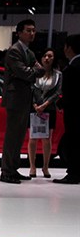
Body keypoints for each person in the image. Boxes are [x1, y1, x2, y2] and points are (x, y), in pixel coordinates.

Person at [0, 19, 44, 183]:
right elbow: (27, 73)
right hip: (15, 98)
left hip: (24, 98)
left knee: (18, 136)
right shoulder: (14, 51)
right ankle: (6, 172)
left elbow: (38, 70)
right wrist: (34, 71)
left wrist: (33, 71)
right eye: (28, 30)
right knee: (12, 136)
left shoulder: (28, 52)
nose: (32, 33)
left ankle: (13, 169)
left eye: (33, 30)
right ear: (19, 33)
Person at [28, 48, 61, 178]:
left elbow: (58, 92)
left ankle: (45, 167)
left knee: (47, 139)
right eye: (45, 56)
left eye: (50, 56)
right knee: (32, 138)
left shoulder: (58, 75)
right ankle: (32, 166)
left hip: (49, 109)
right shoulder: (34, 73)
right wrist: (35, 104)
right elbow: (30, 89)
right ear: (41, 58)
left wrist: (45, 104)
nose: (47, 58)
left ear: (54, 59)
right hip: (34, 108)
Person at [53, 34, 79, 184]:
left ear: (69, 48)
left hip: (74, 112)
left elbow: (71, 94)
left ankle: (73, 173)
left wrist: (60, 103)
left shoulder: (72, 68)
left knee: (73, 141)